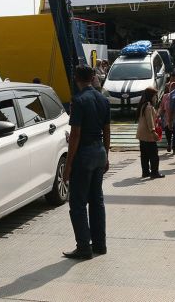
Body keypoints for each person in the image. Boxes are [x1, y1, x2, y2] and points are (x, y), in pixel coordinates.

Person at [63, 65, 111, 260]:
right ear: (92, 78)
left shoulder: (79, 101)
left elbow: (75, 135)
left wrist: (68, 165)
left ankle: (83, 247)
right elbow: (107, 130)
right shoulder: (103, 100)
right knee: (97, 201)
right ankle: (100, 244)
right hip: (99, 151)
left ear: (76, 78)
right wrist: (106, 155)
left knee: (78, 204)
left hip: (84, 154)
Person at [136, 87, 164, 179]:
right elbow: (150, 121)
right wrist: (153, 131)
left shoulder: (143, 105)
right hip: (148, 134)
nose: (156, 98)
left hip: (141, 134)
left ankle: (145, 172)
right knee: (154, 155)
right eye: (155, 96)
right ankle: (154, 172)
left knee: (144, 155)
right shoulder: (148, 107)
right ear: (151, 96)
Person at [158, 82, 175, 152]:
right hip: (166, 118)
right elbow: (162, 106)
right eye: (172, 87)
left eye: (174, 87)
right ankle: (169, 144)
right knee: (168, 132)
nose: (173, 89)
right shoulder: (165, 96)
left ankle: (174, 147)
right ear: (169, 88)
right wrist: (159, 115)